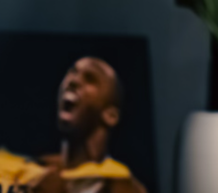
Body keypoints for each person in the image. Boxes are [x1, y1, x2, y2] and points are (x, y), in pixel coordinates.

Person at [31, 57, 146, 193]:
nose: (73, 81)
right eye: (72, 72)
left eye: (90, 79)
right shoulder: (34, 174)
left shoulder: (128, 188)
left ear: (110, 116)